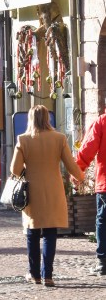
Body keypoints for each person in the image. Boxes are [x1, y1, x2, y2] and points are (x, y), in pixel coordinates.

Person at [10, 104, 84, 286]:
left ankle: (34, 274)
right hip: (53, 191)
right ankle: (48, 275)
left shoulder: (23, 139)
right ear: (47, 119)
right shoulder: (59, 138)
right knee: (50, 233)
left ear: (30, 119)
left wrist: (28, 168)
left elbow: (14, 169)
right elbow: (71, 165)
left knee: (32, 234)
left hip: (32, 193)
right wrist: (81, 178)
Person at [75, 106, 106, 276]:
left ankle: (103, 262)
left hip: (105, 182)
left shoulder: (102, 122)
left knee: (103, 221)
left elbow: (87, 149)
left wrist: (77, 171)